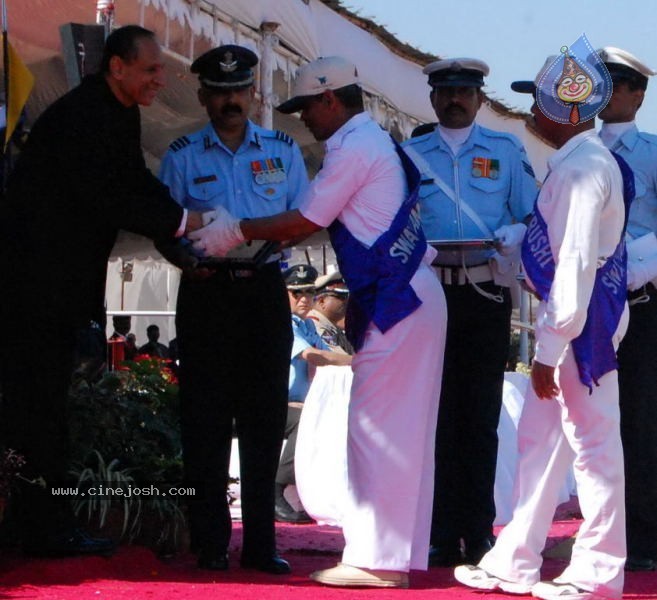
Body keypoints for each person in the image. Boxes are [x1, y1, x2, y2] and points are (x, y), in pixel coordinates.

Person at [188, 55, 447, 589]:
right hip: (408, 294)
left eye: (306, 106)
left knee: (378, 432)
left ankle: (376, 560)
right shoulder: (373, 141)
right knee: (403, 433)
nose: (302, 118)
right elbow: (307, 224)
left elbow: (306, 219)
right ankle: (392, 557)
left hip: (397, 298)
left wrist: (235, 230)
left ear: (331, 98)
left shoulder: (353, 148)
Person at [0, 25, 201, 557]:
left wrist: (178, 230)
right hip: (33, 289)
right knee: (37, 410)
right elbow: (109, 196)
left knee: (44, 408)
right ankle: (41, 529)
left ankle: (38, 523)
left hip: (56, 290)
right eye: (151, 69)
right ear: (117, 67)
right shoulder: (84, 116)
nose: (162, 78)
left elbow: (134, 179)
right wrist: (186, 223)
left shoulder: (116, 110)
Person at [455, 53, 632, 600]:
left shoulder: (583, 170)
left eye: (540, 99)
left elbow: (577, 264)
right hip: (574, 317)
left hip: (582, 323)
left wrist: (548, 351)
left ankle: (598, 573)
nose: (533, 108)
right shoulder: (577, 163)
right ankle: (516, 559)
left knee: (593, 448)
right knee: (541, 442)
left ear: (567, 109)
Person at [157, 45, 308, 573]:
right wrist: (180, 257)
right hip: (207, 294)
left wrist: (270, 238)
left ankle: (263, 543)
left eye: (238, 91)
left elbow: (303, 217)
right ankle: (210, 541)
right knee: (205, 418)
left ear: (253, 93)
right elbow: (164, 228)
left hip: (263, 292)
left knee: (265, 418)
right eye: (219, 93)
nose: (229, 101)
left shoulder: (284, 150)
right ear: (203, 97)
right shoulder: (181, 155)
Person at [401, 58, 537, 566]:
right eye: (446, 91)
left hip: (484, 293)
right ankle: (438, 530)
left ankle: (478, 530)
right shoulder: (410, 154)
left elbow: (532, 212)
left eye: (464, 91)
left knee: (480, 417)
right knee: (436, 416)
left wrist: (517, 234)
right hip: (432, 294)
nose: (455, 99)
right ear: (433, 99)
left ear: (479, 99)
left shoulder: (505, 151)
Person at [597, 46, 657, 572]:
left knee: (639, 422)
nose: (607, 92)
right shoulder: (577, 150)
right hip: (591, 302)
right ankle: (602, 533)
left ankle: (643, 539)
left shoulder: (656, 152)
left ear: (639, 93)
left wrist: (644, 259)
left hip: (642, 299)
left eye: (617, 84)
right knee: (594, 423)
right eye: (600, 82)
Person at [275, 264, 352, 524]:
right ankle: (277, 487)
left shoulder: (306, 326)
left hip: (292, 403)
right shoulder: (284, 323)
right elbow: (314, 356)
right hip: (272, 403)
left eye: (308, 292)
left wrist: (357, 360)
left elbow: (335, 356)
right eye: (296, 293)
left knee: (326, 417)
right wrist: (360, 362)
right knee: (307, 419)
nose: (304, 299)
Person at [307, 271, 354, 354]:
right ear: (322, 301)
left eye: (347, 297)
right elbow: (339, 359)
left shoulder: (331, 326)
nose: (346, 301)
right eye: (341, 297)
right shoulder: (315, 326)